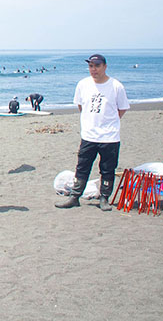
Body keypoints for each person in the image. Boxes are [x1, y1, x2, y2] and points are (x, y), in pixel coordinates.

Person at [56, 54, 129, 211]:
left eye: (97, 66)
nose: (93, 69)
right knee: (82, 166)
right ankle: (75, 197)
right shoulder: (83, 84)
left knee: (107, 169)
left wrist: (109, 122)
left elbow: (122, 108)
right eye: (91, 66)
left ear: (105, 67)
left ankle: (104, 198)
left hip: (109, 136)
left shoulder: (116, 86)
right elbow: (81, 106)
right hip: (89, 135)